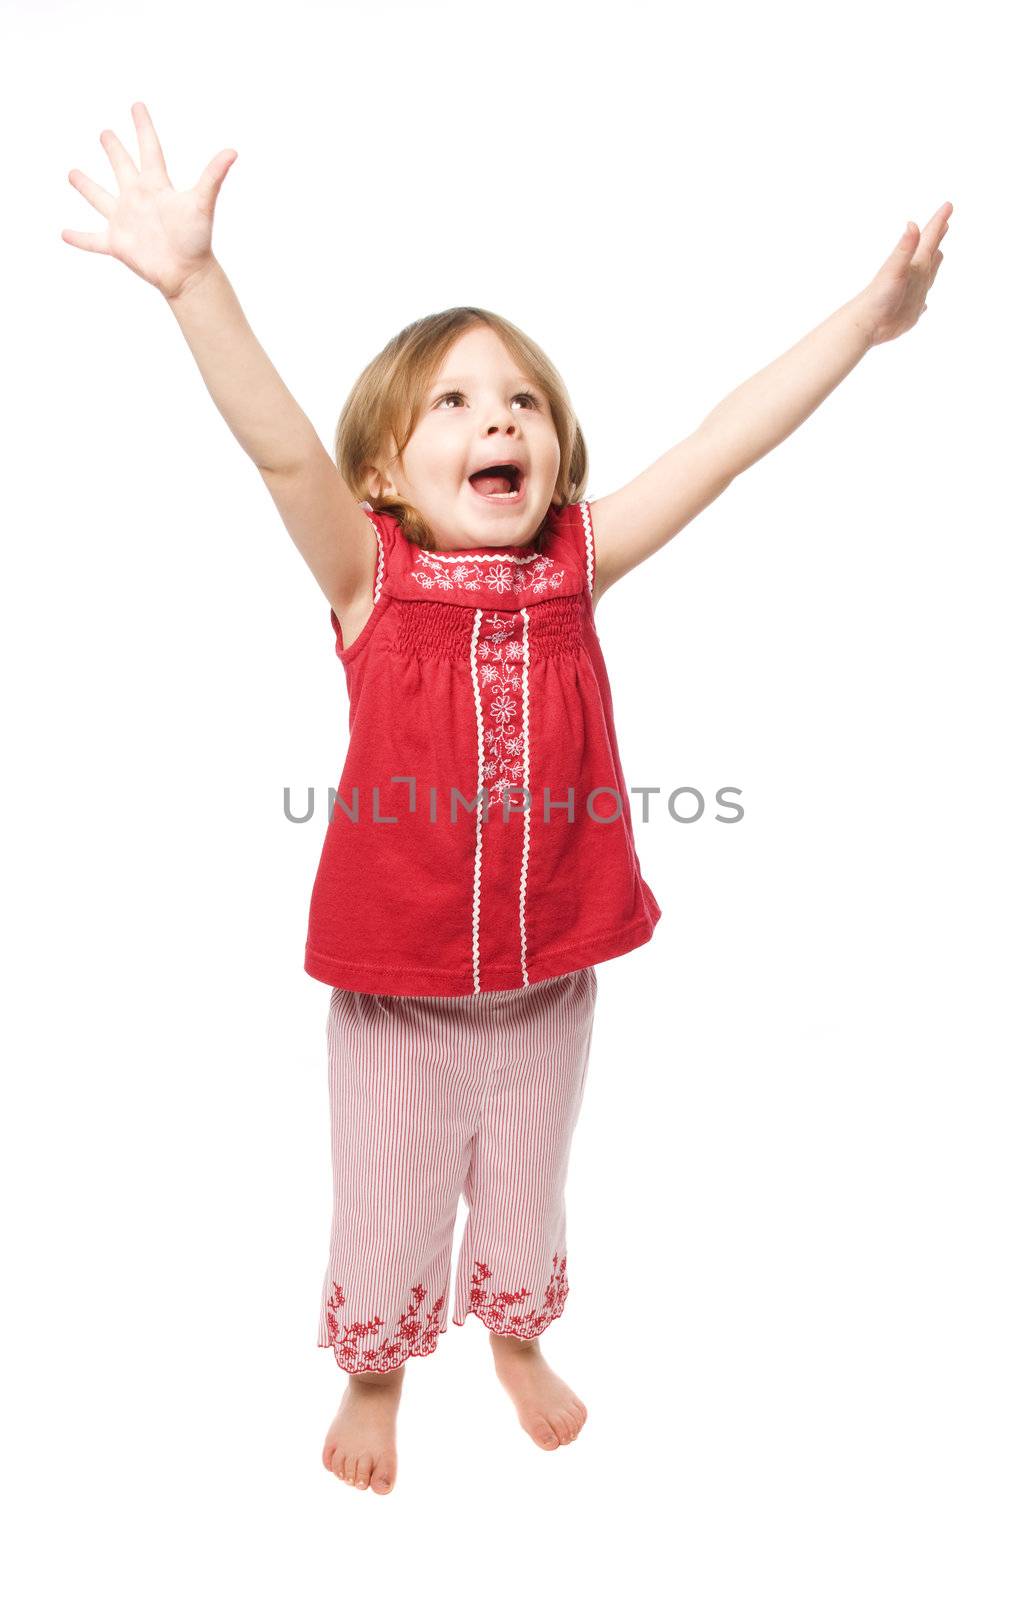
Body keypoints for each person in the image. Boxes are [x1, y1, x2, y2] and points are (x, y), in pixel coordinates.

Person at [62, 102, 951, 1498]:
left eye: (524, 402)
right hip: (401, 989)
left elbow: (723, 443)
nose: (501, 422)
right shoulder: (371, 582)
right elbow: (284, 449)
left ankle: (518, 1330)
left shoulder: (576, 569)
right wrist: (196, 286)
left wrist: (865, 322)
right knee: (391, 1185)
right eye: (460, 405)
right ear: (387, 475)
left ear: (556, 453)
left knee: (529, 1176)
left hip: (548, 973)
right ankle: (376, 1365)